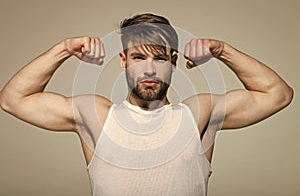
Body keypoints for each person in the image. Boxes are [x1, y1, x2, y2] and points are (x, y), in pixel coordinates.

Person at [0, 13, 293, 196]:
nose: (150, 70)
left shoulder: (197, 115)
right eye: (139, 58)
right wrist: (63, 49)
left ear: (174, 64)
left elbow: (278, 94)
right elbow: (13, 100)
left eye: (160, 58)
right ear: (123, 61)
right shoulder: (97, 116)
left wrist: (223, 50)